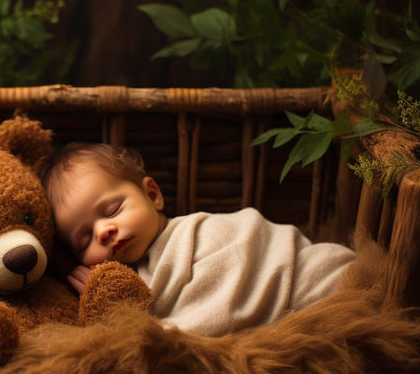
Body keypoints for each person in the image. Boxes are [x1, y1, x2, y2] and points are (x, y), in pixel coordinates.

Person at [42, 142, 357, 337]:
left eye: (113, 209)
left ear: (152, 195)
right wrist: (117, 310)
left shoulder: (194, 234)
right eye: (85, 240)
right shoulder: (138, 279)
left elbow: (214, 311)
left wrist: (144, 330)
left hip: (323, 281)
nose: (103, 231)